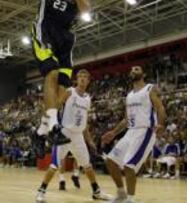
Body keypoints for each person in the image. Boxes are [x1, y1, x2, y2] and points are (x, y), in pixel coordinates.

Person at [36, 69, 111, 202]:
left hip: (78, 137)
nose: (82, 78)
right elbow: (55, 105)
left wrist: (89, 140)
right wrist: (48, 121)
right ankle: (41, 192)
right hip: (64, 134)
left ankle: (96, 192)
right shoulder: (69, 91)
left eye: (85, 77)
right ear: (77, 79)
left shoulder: (88, 99)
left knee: (87, 166)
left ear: (88, 81)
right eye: (80, 76)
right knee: (54, 165)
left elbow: (85, 122)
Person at [31, 0, 91, 156]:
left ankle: (39, 133)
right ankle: (53, 126)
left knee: (62, 91)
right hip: (46, 28)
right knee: (52, 72)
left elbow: (85, 8)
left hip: (66, 36)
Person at [102, 66, 166, 203]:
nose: (133, 70)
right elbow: (126, 119)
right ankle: (121, 194)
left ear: (143, 74)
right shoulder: (129, 95)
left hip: (145, 131)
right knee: (110, 161)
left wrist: (160, 123)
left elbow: (160, 107)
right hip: (130, 132)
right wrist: (113, 132)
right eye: (131, 69)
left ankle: (130, 199)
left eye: (136, 69)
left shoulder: (150, 88)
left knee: (128, 165)